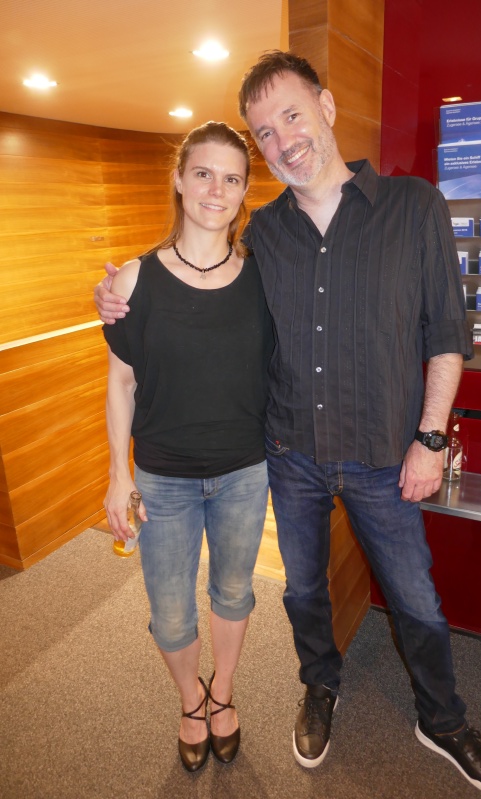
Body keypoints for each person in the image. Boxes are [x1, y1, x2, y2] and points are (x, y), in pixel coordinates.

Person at [96, 53, 481, 797]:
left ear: (325, 107)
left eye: (291, 115)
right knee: (302, 593)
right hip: (289, 454)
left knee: (416, 599)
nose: (282, 139)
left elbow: (446, 334)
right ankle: (320, 686)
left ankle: (443, 720)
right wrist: (116, 294)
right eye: (264, 131)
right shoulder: (264, 234)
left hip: (386, 454)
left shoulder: (413, 206)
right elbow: (188, 289)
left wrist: (430, 439)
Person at [103, 121, 273, 773]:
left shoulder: (263, 277)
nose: (216, 190)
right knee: (171, 615)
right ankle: (190, 699)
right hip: (164, 477)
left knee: (234, 593)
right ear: (178, 179)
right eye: (203, 173)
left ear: (245, 191)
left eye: (232, 178)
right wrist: (118, 475)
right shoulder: (133, 280)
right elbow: (121, 383)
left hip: (244, 472)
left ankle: (222, 692)